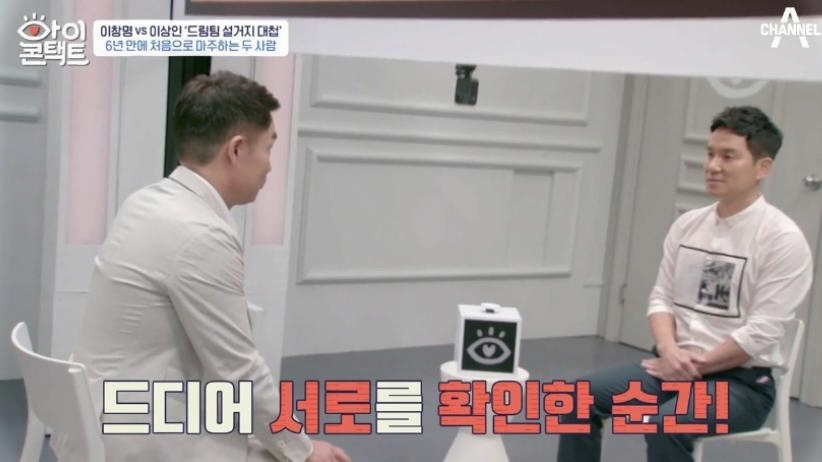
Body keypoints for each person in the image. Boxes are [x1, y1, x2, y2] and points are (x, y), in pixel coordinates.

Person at [52, 71, 351, 462]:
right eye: (268, 148)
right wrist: (305, 451)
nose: (270, 167)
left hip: (96, 417)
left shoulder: (146, 202)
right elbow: (239, 371)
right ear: (237, 149)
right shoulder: (200, 235)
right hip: (138, 435)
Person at [556, 106, 813, 462]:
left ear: (762, 168)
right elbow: (661, 299)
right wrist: (668, 350)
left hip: (740, 385)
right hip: (672, 366)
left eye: (728, 156)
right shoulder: (688, 225)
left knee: (667, 423)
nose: (712, 166)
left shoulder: (782, 240)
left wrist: (692, 365)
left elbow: (760, 334)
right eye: (710, 154)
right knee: (576, 398)